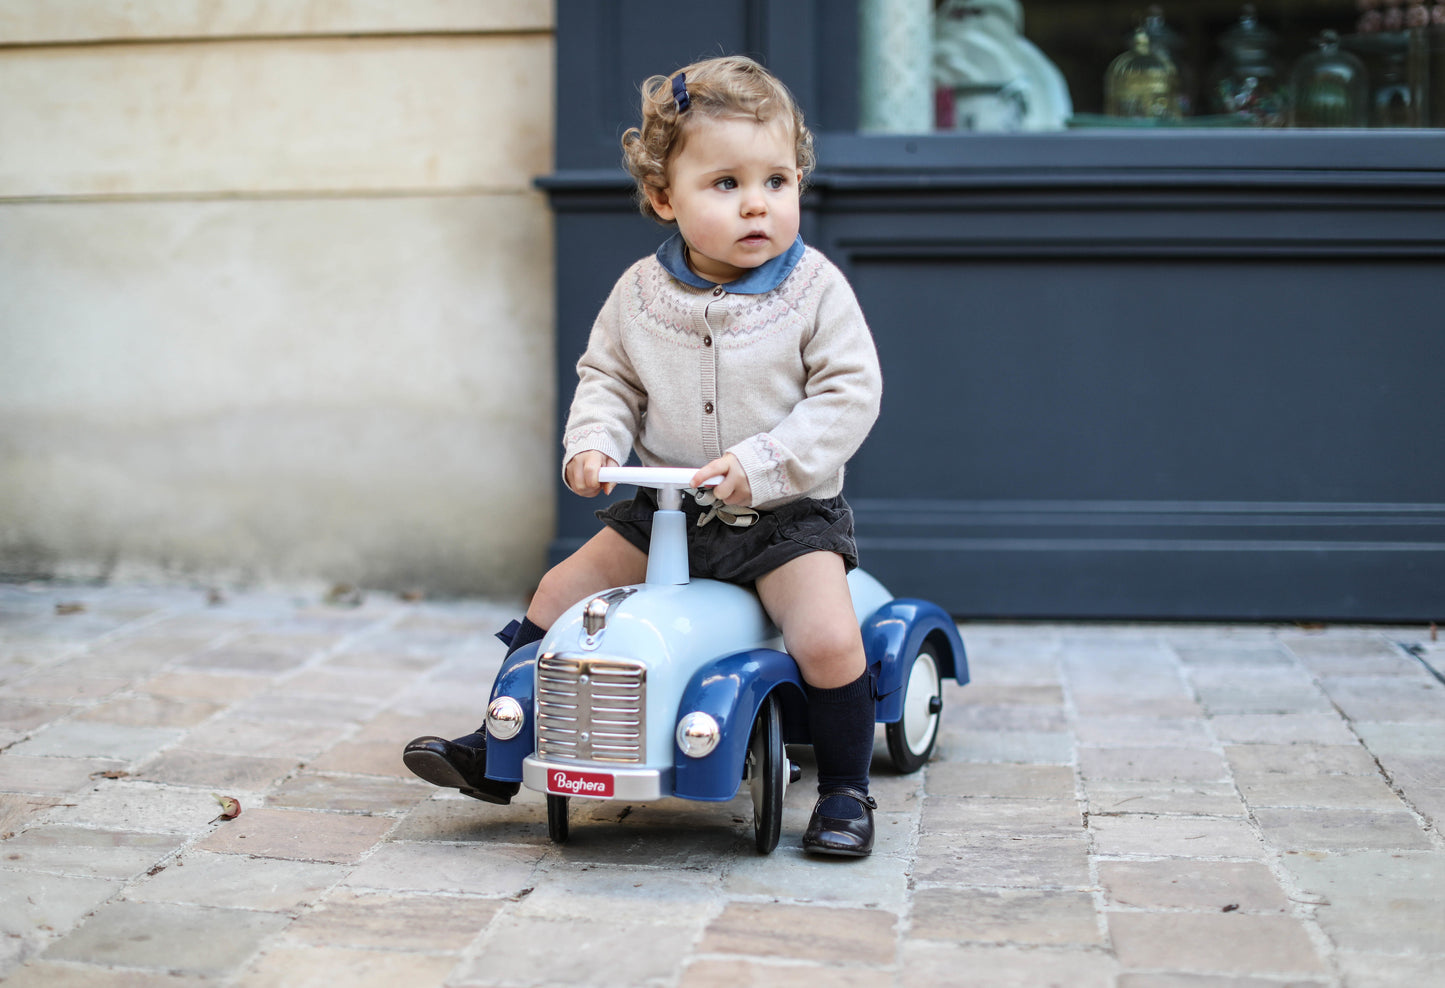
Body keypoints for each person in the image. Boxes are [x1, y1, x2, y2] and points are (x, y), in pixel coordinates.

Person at [404, 54, 884, 856]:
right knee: (560, 591)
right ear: (665, 197)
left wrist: (764, 463)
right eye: (725, 185)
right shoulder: (638, 294)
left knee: (829, 637)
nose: (757, 204)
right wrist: (592, 444)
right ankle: (498, 743)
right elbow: (608, 381)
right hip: (665, 509)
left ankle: (843, 790)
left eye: (777, 181)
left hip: (783, 515)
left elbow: (847, 397)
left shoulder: (815, 291)